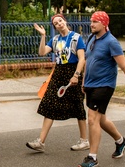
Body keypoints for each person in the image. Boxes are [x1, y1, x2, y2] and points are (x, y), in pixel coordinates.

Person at [78, 11, 125, 167]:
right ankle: (121, 140)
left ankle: (92, 157)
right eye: (91, 21)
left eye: (95, 21)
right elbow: (88, 61)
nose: (91, 24)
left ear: (104, 24)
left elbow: (124, 66)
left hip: (104, 85)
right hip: (90, 84)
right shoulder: (91, 38)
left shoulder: (111, 42)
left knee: (92, 119)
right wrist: (83, 81)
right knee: (100, 119)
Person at [26, 14, 88, 152]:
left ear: (65, 21)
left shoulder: (76, 37)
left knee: (78, 106)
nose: (59, 23)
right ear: (54, 27)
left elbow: (82, 58)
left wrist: (76, 75)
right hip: (59, 73)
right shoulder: (55, 40)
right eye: (56, 23)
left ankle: (84, 140)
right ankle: (41, 142)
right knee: (49, 103)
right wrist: (42, 36)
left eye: (60, 21)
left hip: (72, 72)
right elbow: (42, 52)